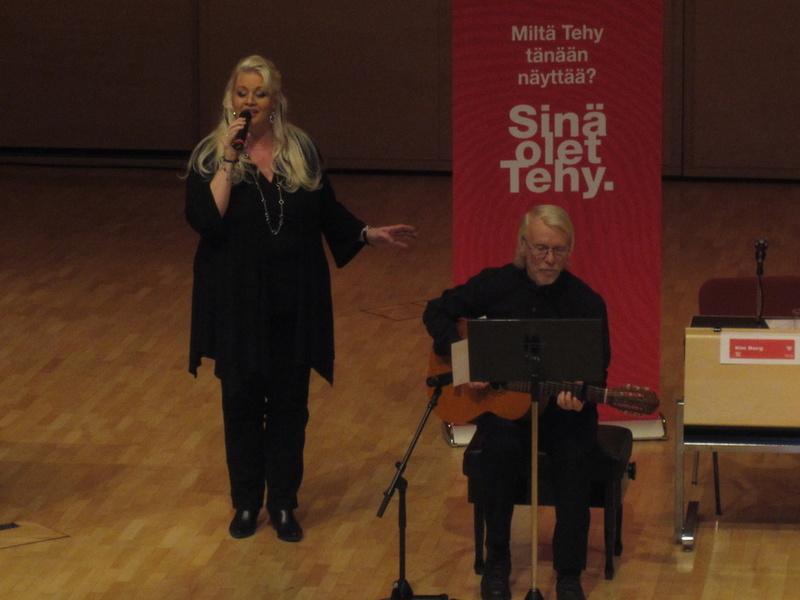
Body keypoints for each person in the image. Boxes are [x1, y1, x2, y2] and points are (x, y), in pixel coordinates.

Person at [184, 55, 417, 543]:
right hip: (239, 305)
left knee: (290, 407)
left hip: (295, 301)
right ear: (230, 99)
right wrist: (229, 158)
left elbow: (326, 209)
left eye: (260, 93)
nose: (250, 101)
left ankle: (284, 503)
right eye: (242, 93)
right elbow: (205, 220)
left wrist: (367, 233)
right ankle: (247, 502)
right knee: (241, 405)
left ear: (275, 101)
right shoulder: (210, 155)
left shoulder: (301, 151)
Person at [423, 205, 610, 600]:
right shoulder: (496, 284)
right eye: (541, 248)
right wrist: (465, 357)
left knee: (575, 456)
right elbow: (436, 310)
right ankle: (498, 561)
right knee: (500, 449)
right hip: (506, 411)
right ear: (524, 246)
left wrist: (582, 392)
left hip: (561, 414)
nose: (550, 259)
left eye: (559, 250)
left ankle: (569, 572)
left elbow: (597, 370)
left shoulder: (585, 302)